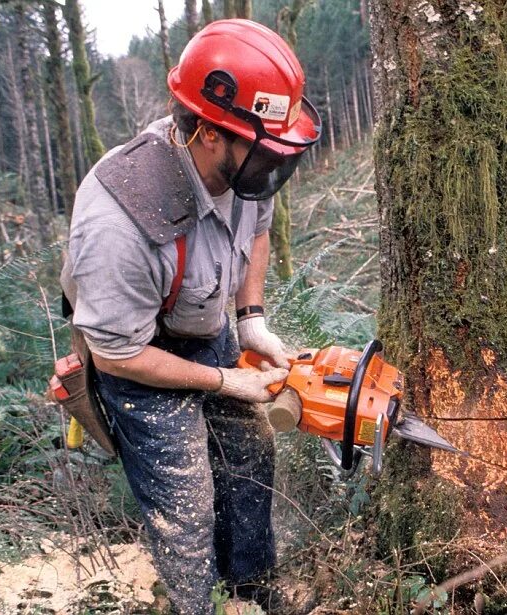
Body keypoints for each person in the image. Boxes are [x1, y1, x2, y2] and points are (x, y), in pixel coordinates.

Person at [59, 19, 321, 615]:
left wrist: (250, 318)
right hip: (137, 351)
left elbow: (257, 224)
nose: (272, 164)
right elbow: (117, 353)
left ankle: (253, 591)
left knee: (252, 449)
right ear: (208, 133)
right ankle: (194, 604)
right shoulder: (118, 222)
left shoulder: (246, 162)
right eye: (264, 152)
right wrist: (225, 379)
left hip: (205, 321)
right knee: (187, 497)